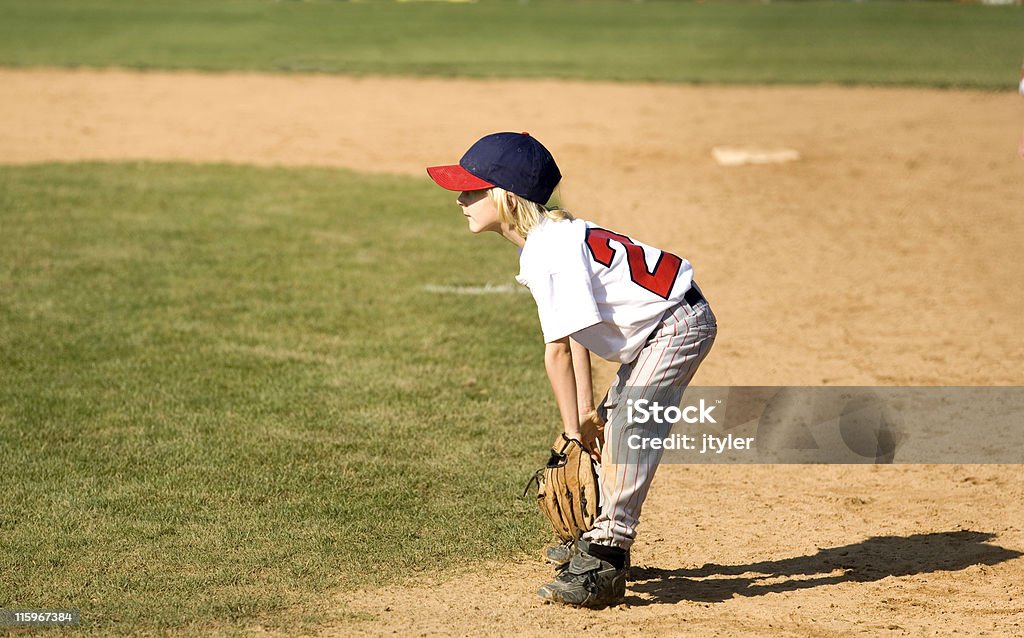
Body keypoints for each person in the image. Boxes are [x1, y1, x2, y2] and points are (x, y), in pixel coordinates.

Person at [426, 132, 717, 608]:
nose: (460, 199)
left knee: (629, 426)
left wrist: (570, 432)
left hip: (678, 324)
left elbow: (557, 351)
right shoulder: (550, 238)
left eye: (472, 190)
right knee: (610, 420)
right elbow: (577, 329)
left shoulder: (549, 253)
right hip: (659, 327)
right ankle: (600, 537)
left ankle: (606, 554)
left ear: (504, 196)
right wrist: (583, 412)